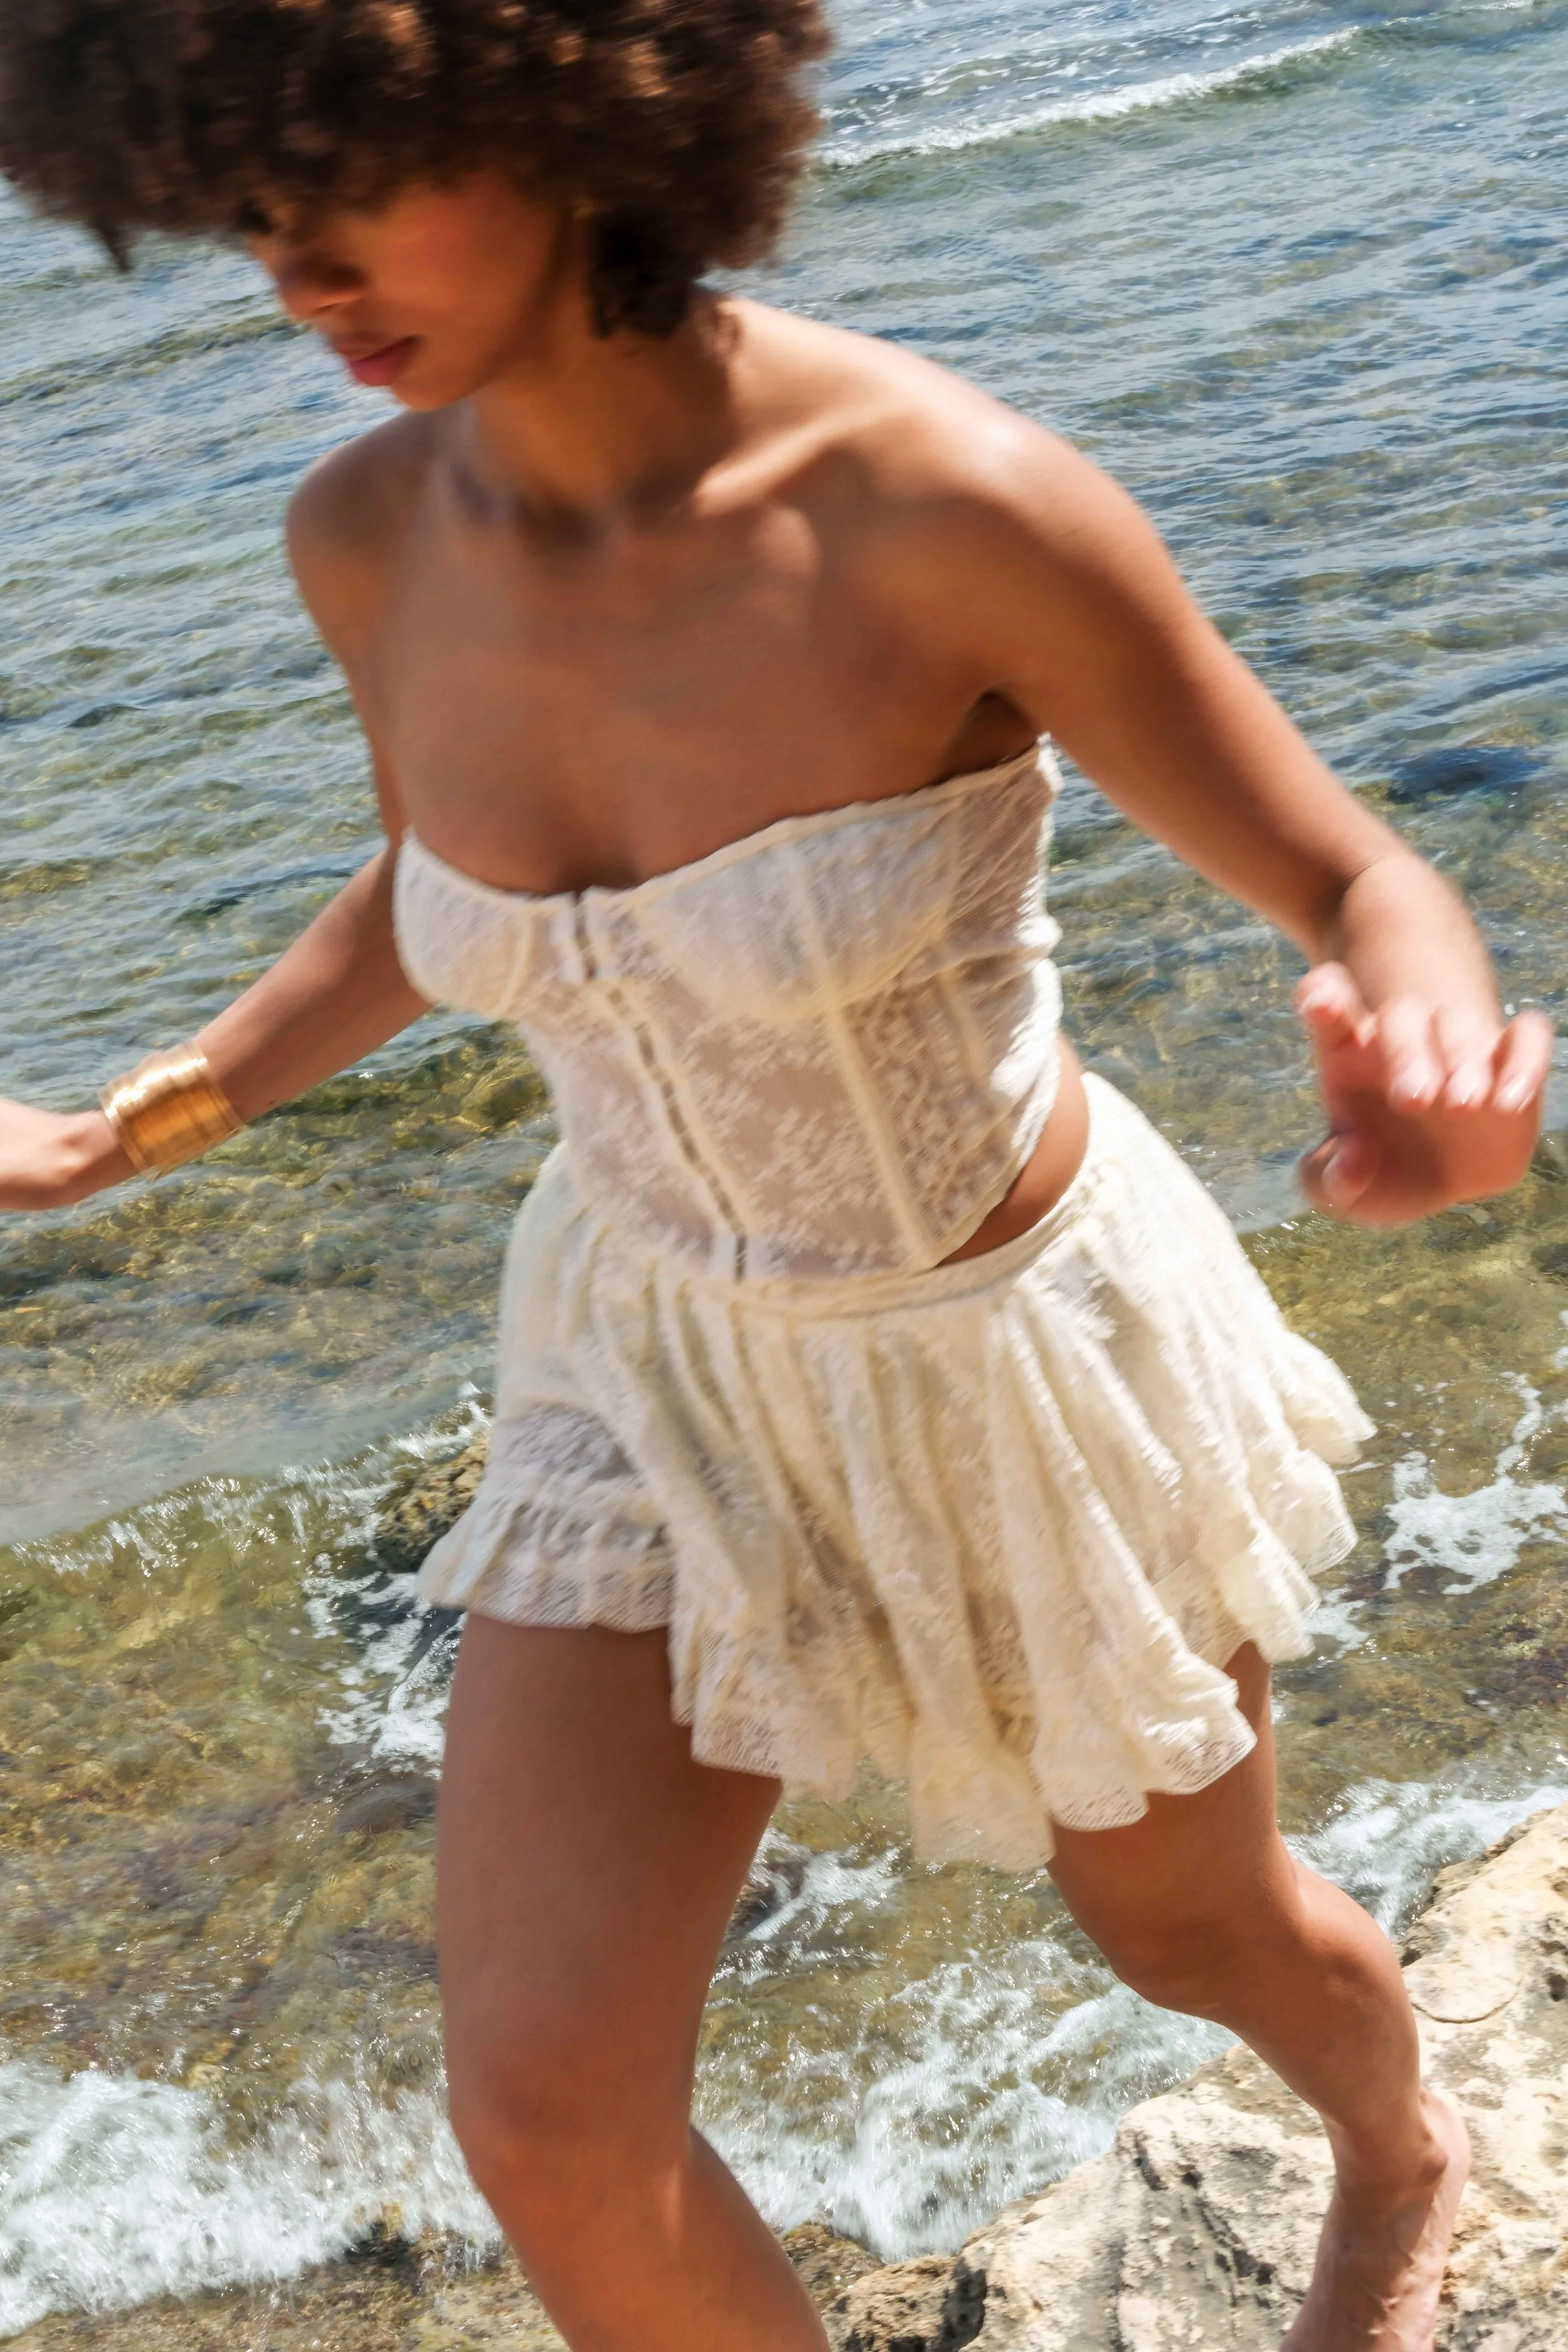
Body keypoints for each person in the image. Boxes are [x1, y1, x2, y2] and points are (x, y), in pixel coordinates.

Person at [0, 3, 1550, 2345]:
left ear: (577, 103)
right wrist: (140, 1121)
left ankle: (1397, 2143)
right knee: (543, 2109)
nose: (297, 270)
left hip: (992, 1344)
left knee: (1181, 1927)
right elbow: (433, 888)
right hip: (637, 1359)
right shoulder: (367, 533)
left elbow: (1350, 873)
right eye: (245, 210)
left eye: (352, 179)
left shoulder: (943, 504)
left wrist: (1432, 1049)